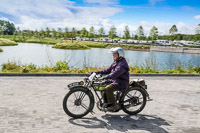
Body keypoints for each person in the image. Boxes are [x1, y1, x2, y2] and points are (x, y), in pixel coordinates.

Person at [96, 47, 130, 111]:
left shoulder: (122, 64)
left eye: (115, 54)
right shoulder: (116, 62)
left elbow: (116, 73)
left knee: (108, 88)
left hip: (121, 83)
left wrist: (107, 76)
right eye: (113, 54)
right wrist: (97, 72)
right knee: (102, 86)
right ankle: (107, 102)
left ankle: (113, 105)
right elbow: (108, 70)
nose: (113, 55)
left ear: (120, 55)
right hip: (116, 80)